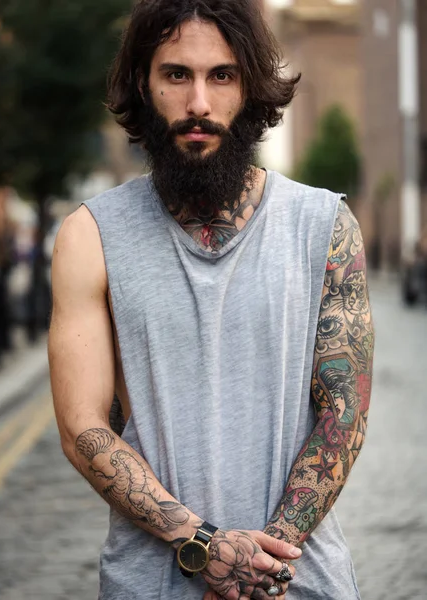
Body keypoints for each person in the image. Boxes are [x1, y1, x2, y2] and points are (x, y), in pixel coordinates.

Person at [48, 1, 374, 598]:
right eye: (176, 75)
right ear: (144, 87)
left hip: (299, 582)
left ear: (249, 88)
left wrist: (263, 558)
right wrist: (202, 543)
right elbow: (82, 426)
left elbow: (342, 414)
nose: (199, 102)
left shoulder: (325, 225)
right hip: (150, 584)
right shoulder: (90, 236)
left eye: (221, 75)